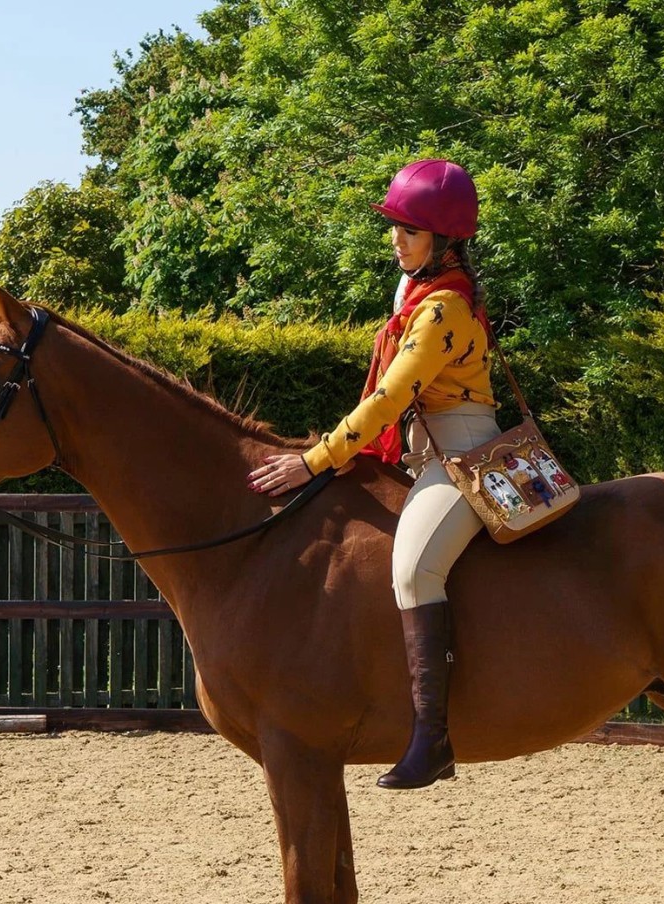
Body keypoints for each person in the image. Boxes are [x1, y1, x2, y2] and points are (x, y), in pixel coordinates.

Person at [246, 159, 499, 789]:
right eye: (394, 227)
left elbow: (388, 400)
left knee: (415, 566)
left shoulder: (441, 310)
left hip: (459, 455)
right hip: (425, 451)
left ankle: (433, 739)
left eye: (409, 231)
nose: (395, 240)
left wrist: (313, 459)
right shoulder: (416, 294)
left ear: (445, 242)